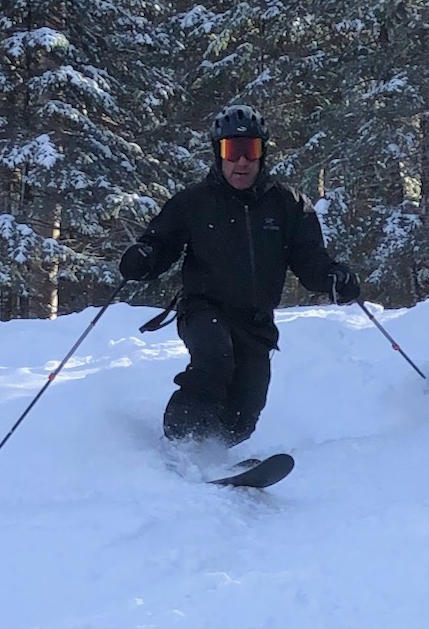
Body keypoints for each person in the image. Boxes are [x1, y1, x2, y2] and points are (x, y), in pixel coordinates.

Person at [119, 104, 361, 449]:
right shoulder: (194, 202)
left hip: (256, 321)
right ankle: (182, 441)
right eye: (233, 152)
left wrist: (334, 278)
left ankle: (212, 455)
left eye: (251, 151)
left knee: (243, 416)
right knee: (214, 359)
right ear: (219, 154)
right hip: (203, 308)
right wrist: (143, 258)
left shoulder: (288, 204)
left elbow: (309, 260)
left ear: (263, 154)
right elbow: (160, 245)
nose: (242, 162)